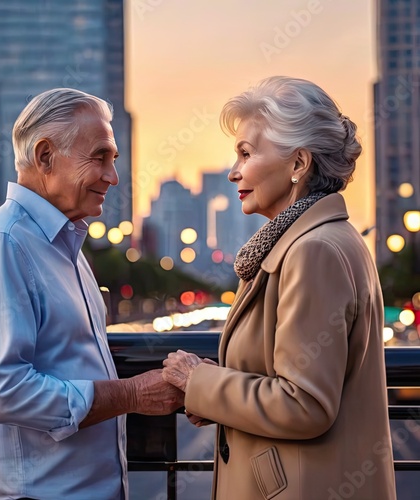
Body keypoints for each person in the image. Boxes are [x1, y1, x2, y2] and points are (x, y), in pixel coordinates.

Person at [162, 76, 396, 500]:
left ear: (298, 164)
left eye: (246, 153)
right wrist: (214, 394)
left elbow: (304, 403)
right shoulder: (316, 241)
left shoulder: (314, 252)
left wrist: (199, 382)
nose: (234, 171)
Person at [0, 88, 184, 500]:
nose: (113, 177)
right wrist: (131, 394)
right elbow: (8, 392)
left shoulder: (68, 248)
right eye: (100, 157)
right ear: (45, 157)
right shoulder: (2, 242)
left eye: (114, 160)